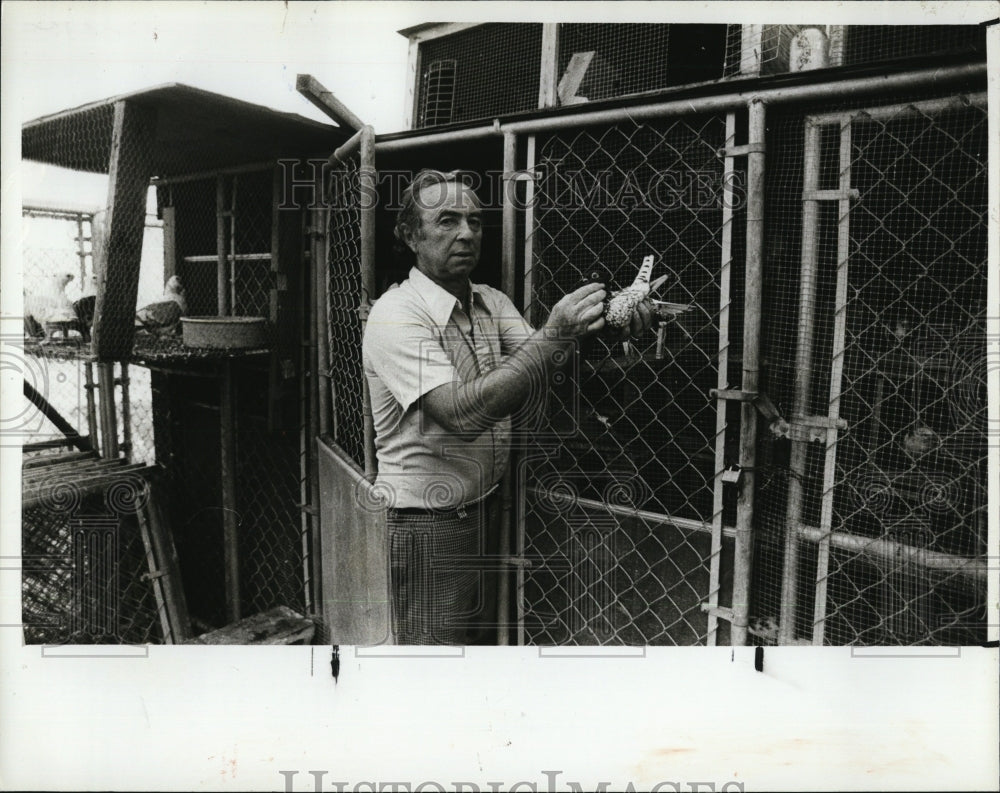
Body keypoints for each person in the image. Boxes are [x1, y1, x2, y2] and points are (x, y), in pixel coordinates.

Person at [362, 169, 654, 644]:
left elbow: (547, 369)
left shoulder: (490, 302)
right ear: (411, 235)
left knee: (467, 651)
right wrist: (556, 332)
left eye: (475, 221)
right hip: (428, 523)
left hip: (483, 507)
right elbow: (462, 415)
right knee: (430, 666)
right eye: (447, 221)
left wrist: (614, 323)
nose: (466, 233)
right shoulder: (396, 315)